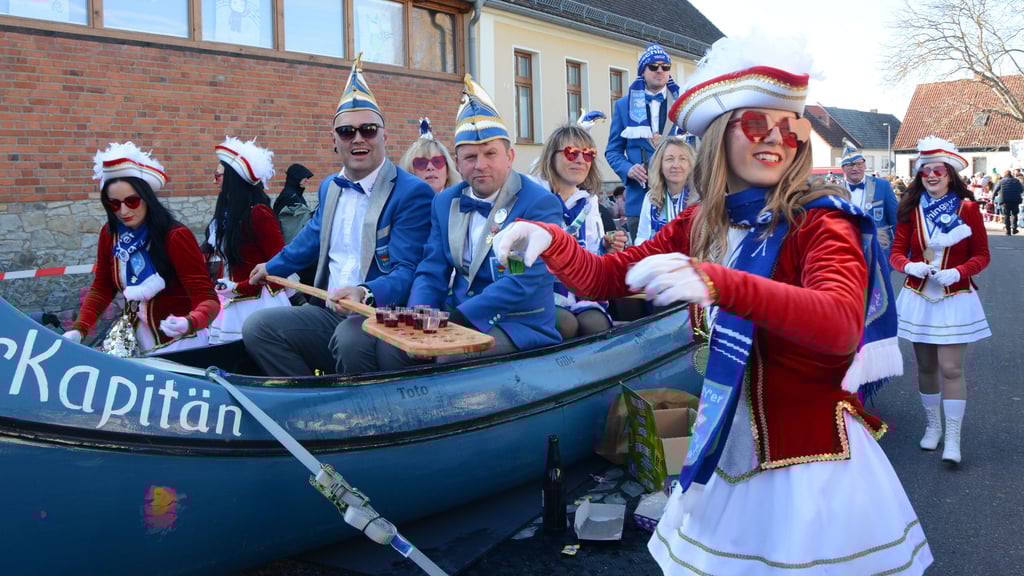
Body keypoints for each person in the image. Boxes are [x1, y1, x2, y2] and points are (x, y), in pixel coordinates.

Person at [494, 31, 930, 575]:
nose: (775, 139)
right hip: (726, 444)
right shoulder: (704, 222)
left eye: (791, 127)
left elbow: (840, 323)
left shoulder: (821, 220)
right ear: (721, 135)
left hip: (808, 465)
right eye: (756, 124)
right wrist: (549, 239)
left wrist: (720, 283)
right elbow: (607, 276)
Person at [243, 55, 434, 376]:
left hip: (378, 313)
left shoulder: (412, 192)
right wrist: (271, 267)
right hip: (328, 309)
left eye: (368, 130)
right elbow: (311, 238)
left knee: (349, 339)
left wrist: (364, 292)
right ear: (334, 140)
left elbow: (407, 271)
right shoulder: (329, 186)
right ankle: (311, 399)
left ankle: (364, 404)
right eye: (347, 132)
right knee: (258, 327)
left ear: (384, 137)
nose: (358, 138)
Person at [398, 75, 562, 365]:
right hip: (457, 315)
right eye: (470, 157)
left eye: (490, 154)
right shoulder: (444, 202)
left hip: (518, 323)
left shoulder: (538, 202)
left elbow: (523, 279)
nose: (480, 165)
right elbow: (432, 269)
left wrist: (459, 320)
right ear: (457, 163)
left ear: (510, 156)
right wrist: (419, 315)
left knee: (448, 357)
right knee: (391, 349)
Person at [890, 136, 991, 465]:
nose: (931, 176)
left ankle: (953, 438)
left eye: (939, 170)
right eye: (926, 171)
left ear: (950, 174)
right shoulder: (910, 210)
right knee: (926, 366)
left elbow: (981, 255)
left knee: (951, 368)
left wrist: (959, 271)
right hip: (919, 296)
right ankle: (933, 427)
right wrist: (909, 266)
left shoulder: (968, 209)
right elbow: (896, 252)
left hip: (955, 297)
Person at [65, 142, 220, 354]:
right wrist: (79, 329)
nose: (123, 211)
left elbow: (207, 297)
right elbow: (102, 287)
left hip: (178, 342)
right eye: (114, 204)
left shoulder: (175, 236)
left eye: (132, 201)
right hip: (132, 340)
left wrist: (190, 321)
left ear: (147, 198)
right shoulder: (110, 234)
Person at [532, 124, 627, 340]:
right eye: (571, 152)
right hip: (541, 290)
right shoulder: (535, 196)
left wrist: (605, 246)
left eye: (588, 154)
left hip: (578, 292)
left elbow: (592, 256)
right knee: (566, 325)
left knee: (597, 324)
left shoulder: (589, 203)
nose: (580, 160)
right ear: (551, 156)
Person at [203, 137, 292, 344]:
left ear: (232, 178)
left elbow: (278, 262)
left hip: (259, 302)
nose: (214, 181)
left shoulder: (258, 213)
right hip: (229, 303)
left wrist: (239, 287)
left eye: (218, 176)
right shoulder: (225, 215)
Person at [606, 42, 682, 240]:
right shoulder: (623, 105)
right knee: (642, 256)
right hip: (639, 201)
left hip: (680, 199)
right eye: (653, 66)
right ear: (642, 71)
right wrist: (628, 169)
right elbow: (612, 151)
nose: (660, 70)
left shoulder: (683, 104)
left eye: (665, 66)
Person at [840, 138, 898, 252]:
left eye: (859, 164)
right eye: (850, 165)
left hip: (879, 250)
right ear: (843, 168)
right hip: (847, 251)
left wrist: (901, 253)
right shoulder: (835, 191)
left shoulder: (882, 186)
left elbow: (896, 220)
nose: (855, 168)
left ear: (865, 166)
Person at [635, 136, 696, 244]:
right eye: (669, 159)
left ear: (690, 165)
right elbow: (641, 239)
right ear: (660, 165)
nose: (676, 165)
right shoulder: (651, 197)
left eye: (682, 159)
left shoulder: (701, 197)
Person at [272, 162, 316, 288]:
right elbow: (291, 223)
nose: (306, 181)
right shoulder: (289, 197)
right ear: (296, 178)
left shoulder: (293, 194)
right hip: (294, 245)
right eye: (304, 178)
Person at [399, 117, 460, 194]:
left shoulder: (462, 200)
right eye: (421, 163)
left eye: (437, 162)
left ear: (447, 171)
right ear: (411, 172)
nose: (430, 167)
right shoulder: (400, 201)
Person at [992, 168, 1022, 235]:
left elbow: (995, 190)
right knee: (1014, 214)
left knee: (1006, 215)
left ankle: (1008, 230)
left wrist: (992, 198)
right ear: (1011, 174)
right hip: (1015, 200)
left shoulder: (1001, 181)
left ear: (1004, 175)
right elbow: (1021, 190)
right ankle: (1014, 228)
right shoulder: (1016, 181)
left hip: (1005, 201)